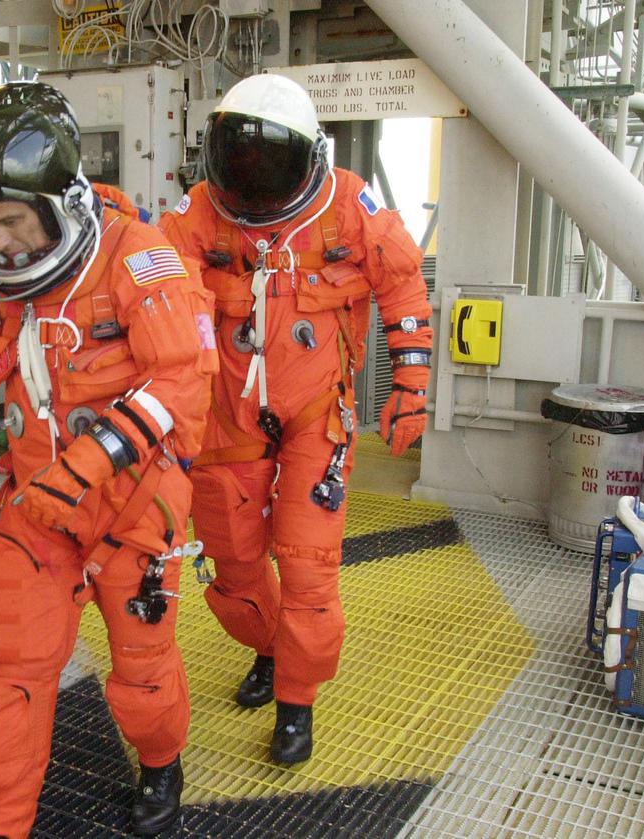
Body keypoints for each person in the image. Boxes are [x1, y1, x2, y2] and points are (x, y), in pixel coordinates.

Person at [0, 81, 217, 838]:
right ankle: (1, 822)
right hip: (37, 502)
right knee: (6, 669)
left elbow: (181, 380)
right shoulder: (1, 274)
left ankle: (161, 761)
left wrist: (90, 462)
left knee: (142, 667)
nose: (1, 242)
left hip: (131, 503)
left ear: (58, 203)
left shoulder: (139, 258)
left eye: (13, 221)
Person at [159, 73, 433, 765]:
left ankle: (296, 701)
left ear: (311, 158)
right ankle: (273, 649)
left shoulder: (348, 207)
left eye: (270, 167)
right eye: (239, 164)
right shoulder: (196, 215)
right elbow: (153, 297)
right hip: (227, 420)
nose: (253, 185)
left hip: (317, 416)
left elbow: (403, 283)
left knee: (308, 568)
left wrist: (411, 386)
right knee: (233, 568)